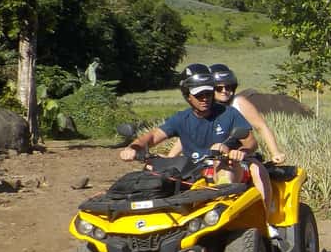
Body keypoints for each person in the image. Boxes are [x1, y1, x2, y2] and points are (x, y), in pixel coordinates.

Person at [166, 63, 283, 215]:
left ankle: (264, 215)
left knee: (257, 171)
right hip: (207, 158)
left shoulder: (238, 104)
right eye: (219, 88)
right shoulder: (204, 109)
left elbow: (261, 127)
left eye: (229, 87)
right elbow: (188, 137)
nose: (225, 91)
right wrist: (170, 159)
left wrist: (275, 152)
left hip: (239, 155)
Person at [119, 63, 256, 169]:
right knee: (151, 170)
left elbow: (251, 143)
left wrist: (240, 152)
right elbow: (153, 136)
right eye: (199, 95)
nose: (204, 99)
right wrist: (133, 148)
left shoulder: (229, 114)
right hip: (190, 172)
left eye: (208, 93)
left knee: (223, 171)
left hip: (226, 167)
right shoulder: (181, 118)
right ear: (187, 96)